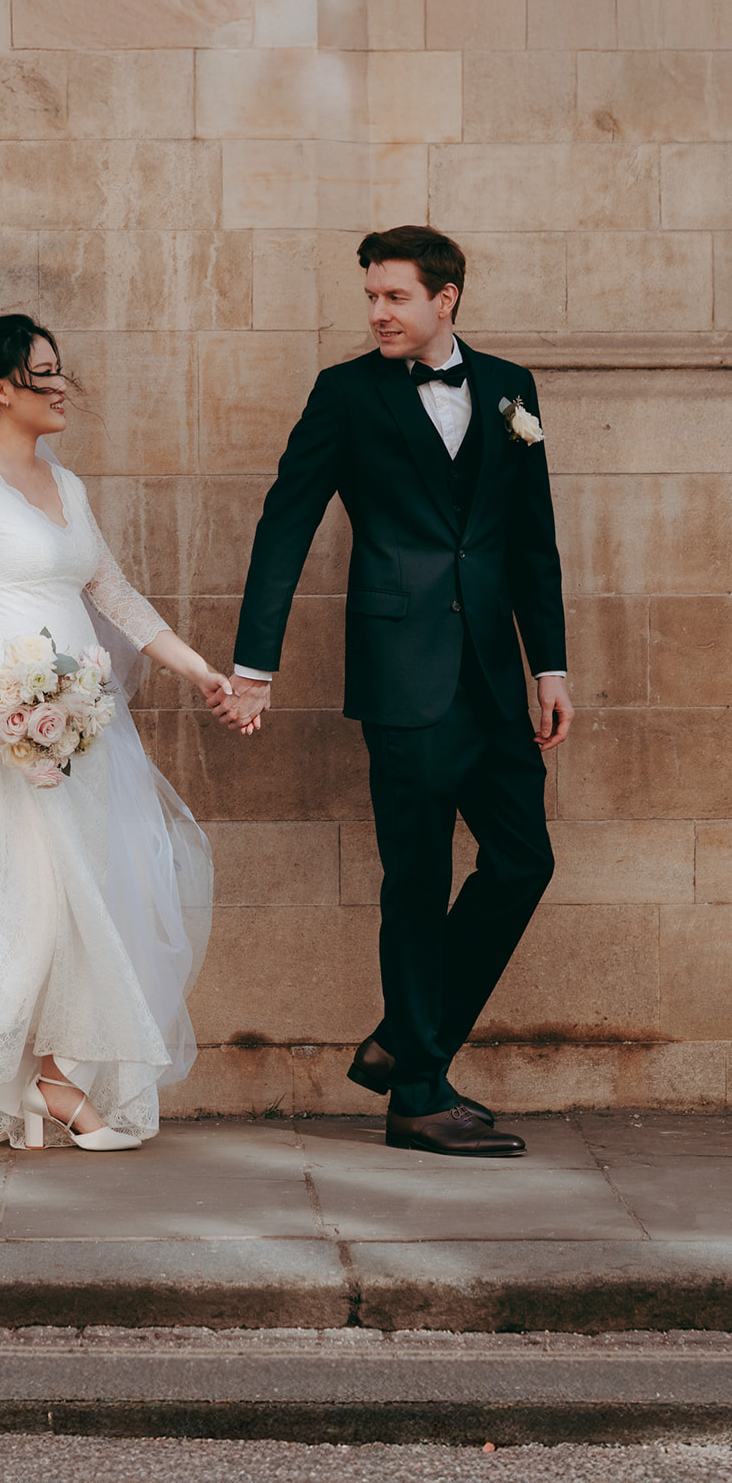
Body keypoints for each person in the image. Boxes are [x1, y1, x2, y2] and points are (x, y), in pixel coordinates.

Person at [212, 226, 573, 1158]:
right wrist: (256, 665)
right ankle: (416, 1094)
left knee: (522, 862)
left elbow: (530, 539)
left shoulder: (506, 389)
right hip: (401, 677)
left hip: (494, 679)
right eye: (370, 297)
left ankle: (403, 1044)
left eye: (394, 297)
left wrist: (549, 666)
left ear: (443, 298)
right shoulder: (345, 394)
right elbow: (283, 526)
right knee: (414, 881)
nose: (376, 312)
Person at [0, 313, 229, 1152]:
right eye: (43, 373)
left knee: (87, 899)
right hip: (3, 718)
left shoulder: (71, 491)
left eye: (60, 371)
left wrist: (201, 670)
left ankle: (58, 1082)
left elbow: (119, 599)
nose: (62, 386)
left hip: (83, 718)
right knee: (28, 903)